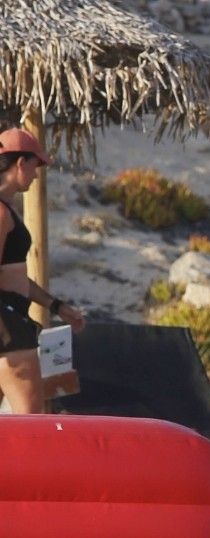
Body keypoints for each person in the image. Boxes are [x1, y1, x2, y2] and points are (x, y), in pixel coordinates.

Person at [0, 127, 85, 413]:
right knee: (32, 425)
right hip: (9, 330)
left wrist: (56, 306)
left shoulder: (6, 209)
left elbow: (13, 277)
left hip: (9, 322)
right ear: (20, 163)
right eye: (35, 166)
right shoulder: (1, 213)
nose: (36, 175)